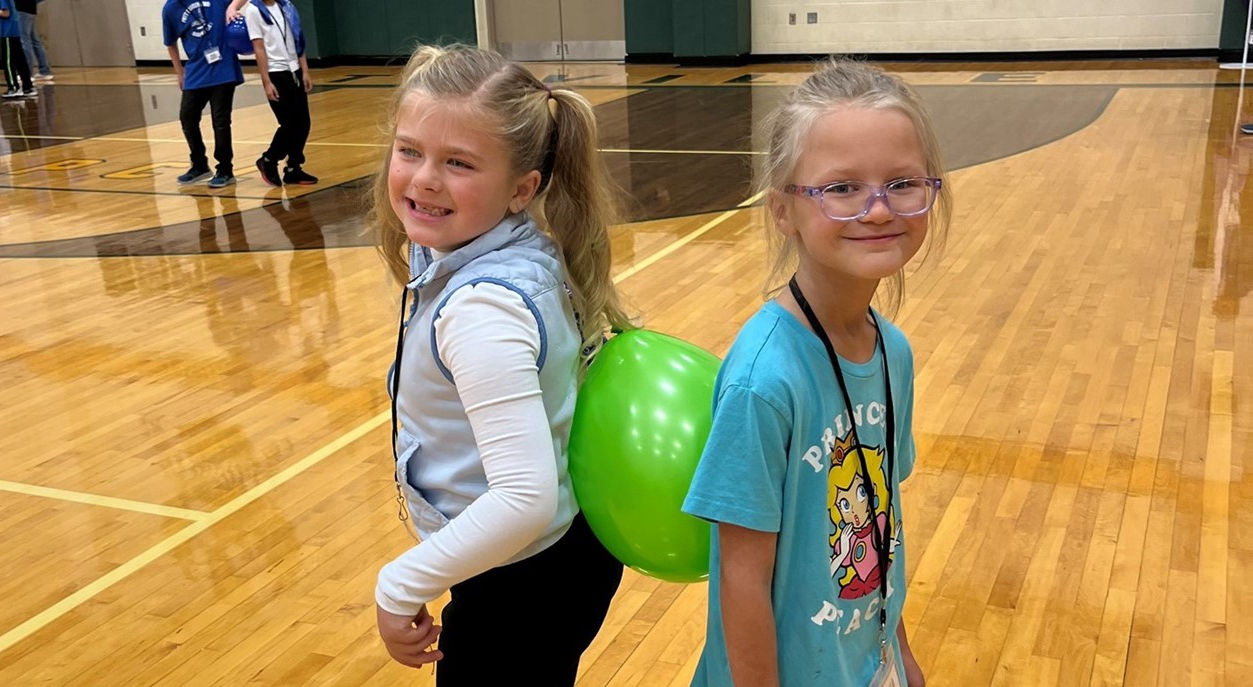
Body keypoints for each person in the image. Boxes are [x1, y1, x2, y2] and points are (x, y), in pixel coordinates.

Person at [682, 57, 953, 687]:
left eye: (902, 182)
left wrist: (899, 654)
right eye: (842, 188)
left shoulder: (894, 352)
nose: (879, 209)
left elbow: (881, 525)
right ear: (783, 210)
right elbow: (741, 578)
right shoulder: (764, 381)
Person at [369, 44, 629, 685]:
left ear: (522, 189)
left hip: (522, 582)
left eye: (458, 163)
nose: (425, 178)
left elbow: (523, 498)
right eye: (410, 151)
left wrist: (398, 585)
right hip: (553, 560)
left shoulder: (483, 311)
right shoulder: (490, 244)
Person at [229, 0, 316, 187]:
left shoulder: (286, 6)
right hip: (276, 73)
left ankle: (293, 167)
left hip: (294, 69)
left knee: (303, 122)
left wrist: (305, 70)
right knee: (289, 123)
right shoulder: (253, 10)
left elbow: (297, 39)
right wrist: (267, 82)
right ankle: (269, 159)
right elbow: (259, 48)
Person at [162, 0, 243, 189]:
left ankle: (225, 169)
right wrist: (180, 73)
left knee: (220, 121)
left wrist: (233, 7)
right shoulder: (170, 8)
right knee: (187, 118)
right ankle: (199, 164)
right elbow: (170, 42)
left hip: (224, 69)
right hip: (196, 71)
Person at [0, 0, 33, 99]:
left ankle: (13, 87)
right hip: (14, 30)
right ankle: (27, 87)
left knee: (8, 61)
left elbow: (6, 13)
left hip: (8, 32)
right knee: (20, 60)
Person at [14, 0, 51, 82]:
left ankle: (28, 73)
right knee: (35, 40)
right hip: (31, 9)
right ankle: (45, 71)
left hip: (23, 9)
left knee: (25, 41)